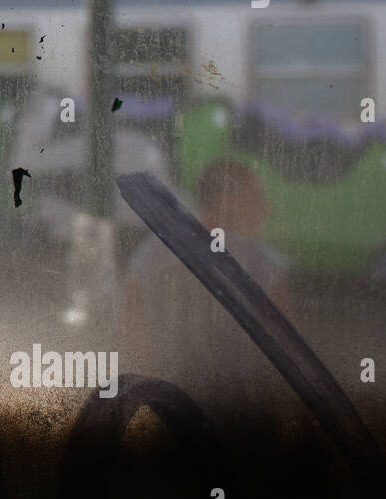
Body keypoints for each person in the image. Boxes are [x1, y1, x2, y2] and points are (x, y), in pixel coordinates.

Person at [119, 158, 295, 427]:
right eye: (256, 197)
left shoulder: (149, 255)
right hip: (236, 425)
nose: (266, 209)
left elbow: (131, 342)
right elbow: (283, 364)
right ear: (227, 199)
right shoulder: (264, 266)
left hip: (163, 418)